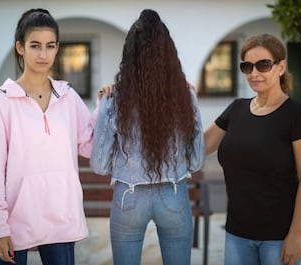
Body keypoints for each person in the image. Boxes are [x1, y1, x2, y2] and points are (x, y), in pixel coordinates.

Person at [0, 8, 103, 265]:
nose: (43, 54)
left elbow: (88, 145)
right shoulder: (2, 102)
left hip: (61, 219)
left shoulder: (68, 97)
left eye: (50, 46)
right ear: (20, 47)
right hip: (15, 221)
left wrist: (104, 106)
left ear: (57, 48)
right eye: (35, 46)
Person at [90, 9, 205, 265]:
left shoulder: (114, 100)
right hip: (174, 195)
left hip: (127, 197)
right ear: (169, 54)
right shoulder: (186, 96)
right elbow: (197, 161)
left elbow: (98, 165)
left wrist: (122, 164)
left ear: (129, 56)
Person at [204, 33, 301, 265]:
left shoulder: (297, 114)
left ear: (280, 67)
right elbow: (199, 146)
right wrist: (180, 94)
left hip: (279, 236)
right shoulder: (236, 109)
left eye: (263, 65)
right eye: (247, 66)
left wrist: (295, 234)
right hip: (237, 234)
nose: (254, 73)